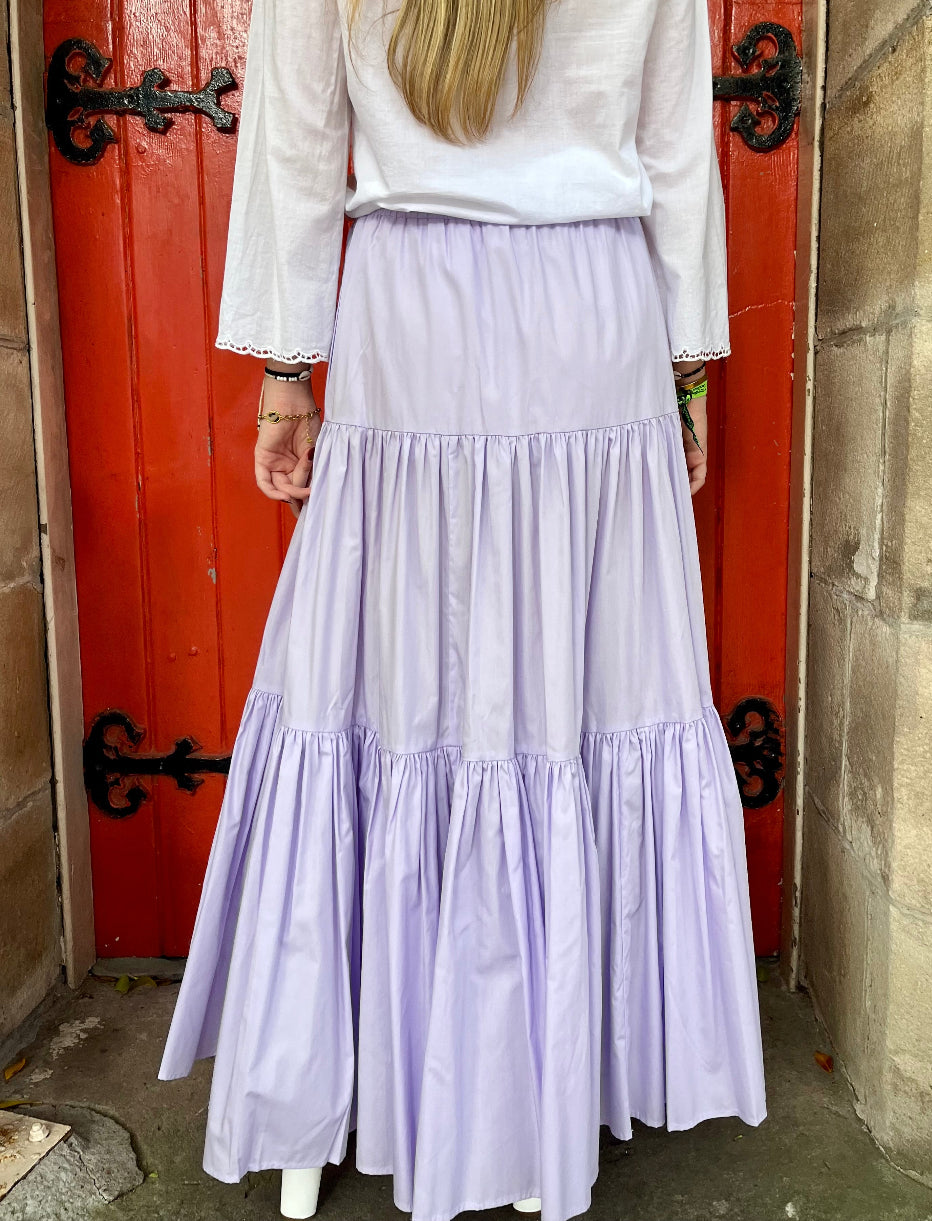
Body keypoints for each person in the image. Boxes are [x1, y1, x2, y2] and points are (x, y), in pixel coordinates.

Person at [158, 0, 768, 1217]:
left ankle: (330, 1088)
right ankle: (545, 1097)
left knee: (381, 683)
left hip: (409, 307)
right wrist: (689, 364)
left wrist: (288, 375)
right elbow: (671, 150)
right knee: (574, 691)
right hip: (594, 312)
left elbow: (294, 136)